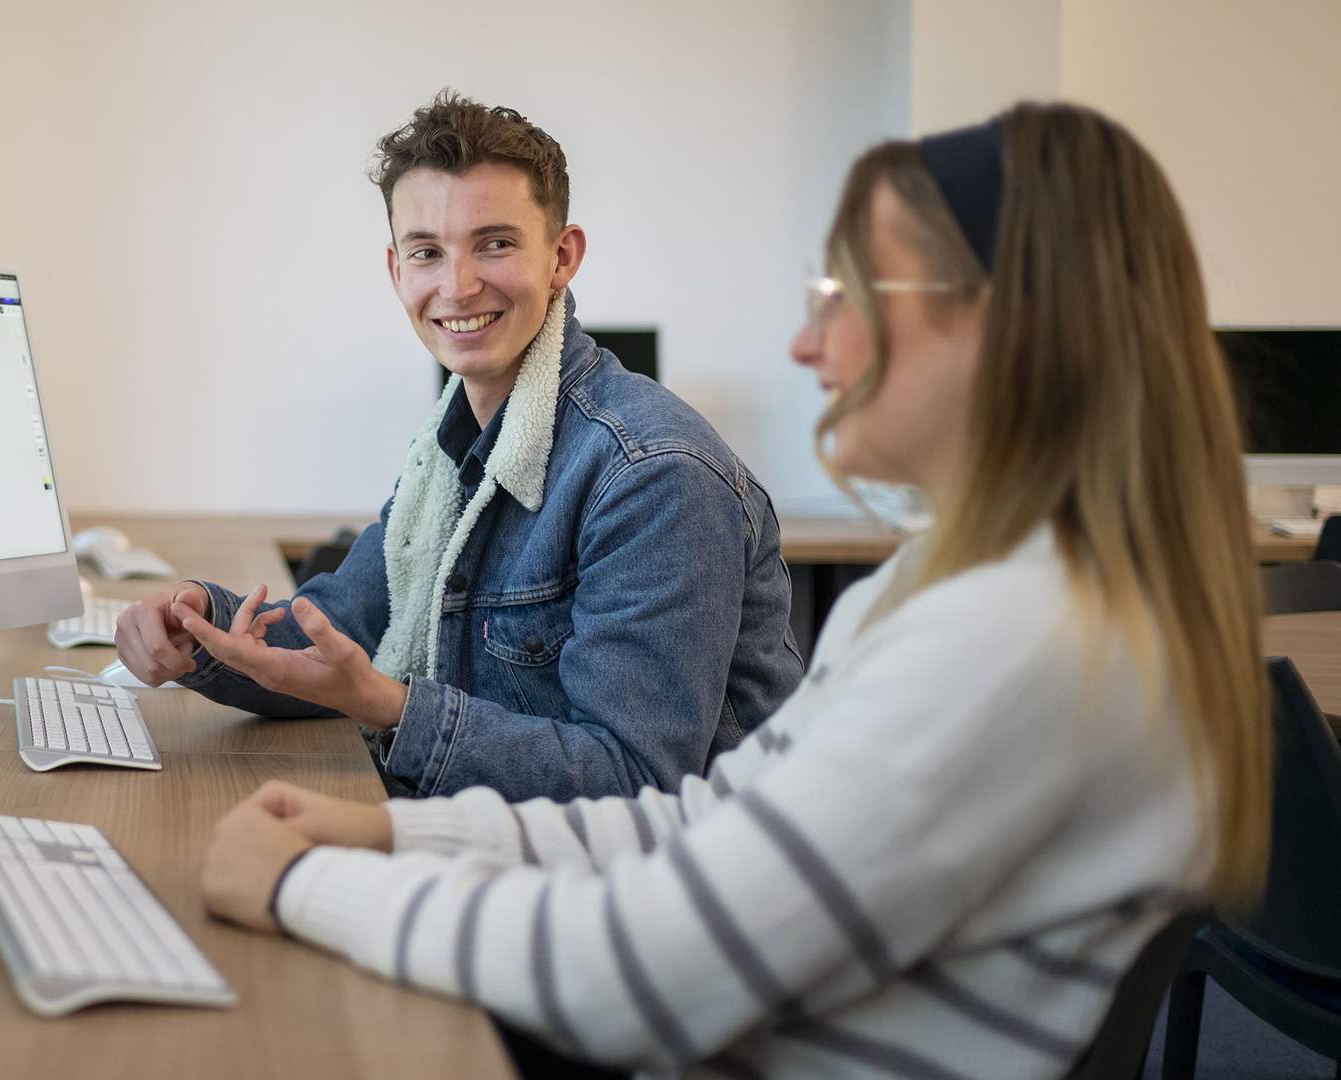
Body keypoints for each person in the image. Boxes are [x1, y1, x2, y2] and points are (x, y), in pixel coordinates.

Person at [196, 102, 1272, 1077]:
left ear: (1013, 325)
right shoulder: (953, 587)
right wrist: (391, 836)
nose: (808, 342)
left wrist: (301, 887)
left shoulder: (1017, 636)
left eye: (849, 294)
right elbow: (703, 823)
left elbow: (643, 978)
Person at [114, 92, 801, 801]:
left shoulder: (654, 475)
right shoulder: (449, 453)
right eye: (427, 252)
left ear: (562, 257)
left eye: (495, 244)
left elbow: (631, 780)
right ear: (396, 271)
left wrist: (390, 707)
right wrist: (199, 622)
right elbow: (340, 635)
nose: (457, 284)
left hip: (644, 891)